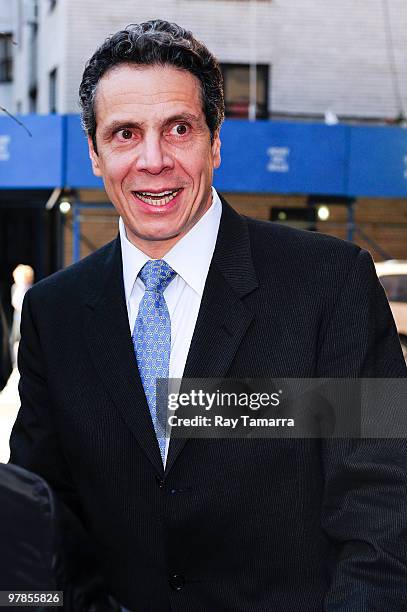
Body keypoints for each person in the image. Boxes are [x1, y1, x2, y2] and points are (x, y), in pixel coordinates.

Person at [9, 20, 407, 612]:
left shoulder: (329, 284)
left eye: (178, 128)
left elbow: (382, 512)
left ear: (215, 141)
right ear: (94, 153)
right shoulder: (56, 312)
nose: (153, 160)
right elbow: (37, 528)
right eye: (124, 133)